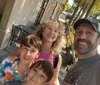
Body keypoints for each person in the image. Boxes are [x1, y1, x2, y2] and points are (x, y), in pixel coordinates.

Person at [62, 18, 100, 85]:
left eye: (89, 33)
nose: (82, 37)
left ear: (99, 40)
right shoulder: (77, 64)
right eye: (79, 32)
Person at [34, 20, 66, 85]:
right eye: (49, 28)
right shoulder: (31, 46)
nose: (52, 32)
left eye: (56, 31)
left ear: (58, 36)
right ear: (42, 30)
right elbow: (14, 59)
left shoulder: (57, 58)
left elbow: (54, 80)